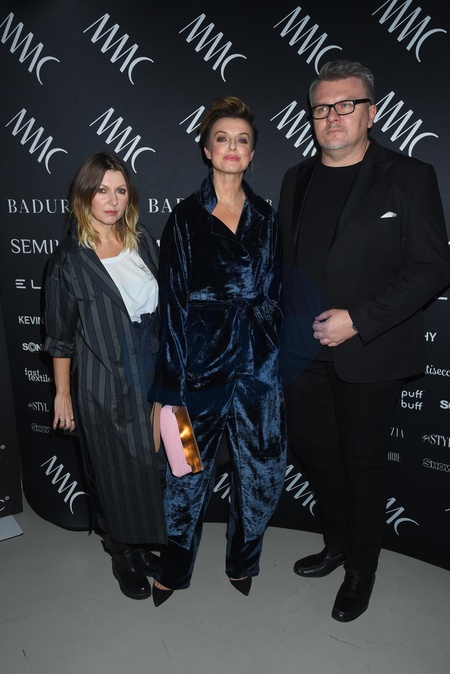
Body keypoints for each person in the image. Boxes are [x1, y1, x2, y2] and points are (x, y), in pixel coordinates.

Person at [278, 60, 450, 622]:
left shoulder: (409, 176)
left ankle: (361, 571)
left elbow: (432, 268)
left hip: (370, 351)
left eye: (346, 105)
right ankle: (337, 542)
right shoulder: (296, 178)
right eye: (322, 108)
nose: (333, 116)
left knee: (362, 464)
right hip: (302, 355)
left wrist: (358, 319)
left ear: (370, 113)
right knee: (317, 455)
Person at [149, 96, 287, 606]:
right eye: (222, 139)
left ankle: (243, 561)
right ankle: (173, 567)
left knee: (263, 471)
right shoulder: (184, 219)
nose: (232, 148)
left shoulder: (266, 218)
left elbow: (276, 294)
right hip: (194, 375)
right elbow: (171, 306)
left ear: (251, 154)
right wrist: (168, 392)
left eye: (242, 140)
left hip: (258, 374)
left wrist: (269, 356)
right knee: (184, 472)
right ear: (207, 150)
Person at [45, 152, 167, 600]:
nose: (112, 201)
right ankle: (122, 553)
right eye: (102, 190)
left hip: (154, 371)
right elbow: (60, 337)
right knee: (114, 472)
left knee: (157, 465)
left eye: (120, 190)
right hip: (103, 382)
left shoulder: (142, 240)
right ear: (84, 196)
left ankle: (145, 541)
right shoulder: (69, 261)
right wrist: (63, 394)